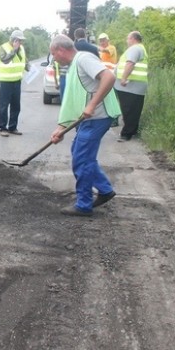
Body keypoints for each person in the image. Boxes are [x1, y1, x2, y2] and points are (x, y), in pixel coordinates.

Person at [49, 34, 122, 216]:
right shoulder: (74, 65)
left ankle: (83, 204)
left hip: (97, 117)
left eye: (54, 55)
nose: (54, 60)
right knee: (79, 153)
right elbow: (73, 100)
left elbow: (109, 77)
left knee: (82, 159)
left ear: (60, 50)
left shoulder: (83, 59)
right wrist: (61, 128)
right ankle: (105, 190)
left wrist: (91, 104)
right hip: (90, 119)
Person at [113, 31, 149, 142]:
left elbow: (130, 63)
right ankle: (132, 131)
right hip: (135, 85)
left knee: (128, 109)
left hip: (131, 85)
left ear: (133, 38)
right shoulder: (140, 48)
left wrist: (123, 78)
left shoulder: (135, 49)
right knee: (134, 109)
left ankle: (126, 134)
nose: (127, 41)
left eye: (128, 38)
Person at [0, 30, 29, 136]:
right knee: (4, 106)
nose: (21, 43)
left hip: (17, 81)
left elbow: (24, 61)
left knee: (16, 106)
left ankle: (12, 127)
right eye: (19, 40)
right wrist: (14, 49)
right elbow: (5, 60)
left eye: (21, 41)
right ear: (14, 40)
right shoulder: (3, 48)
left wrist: (30, 68)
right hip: (6, 82)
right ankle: (3, 128)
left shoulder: (22, 48)